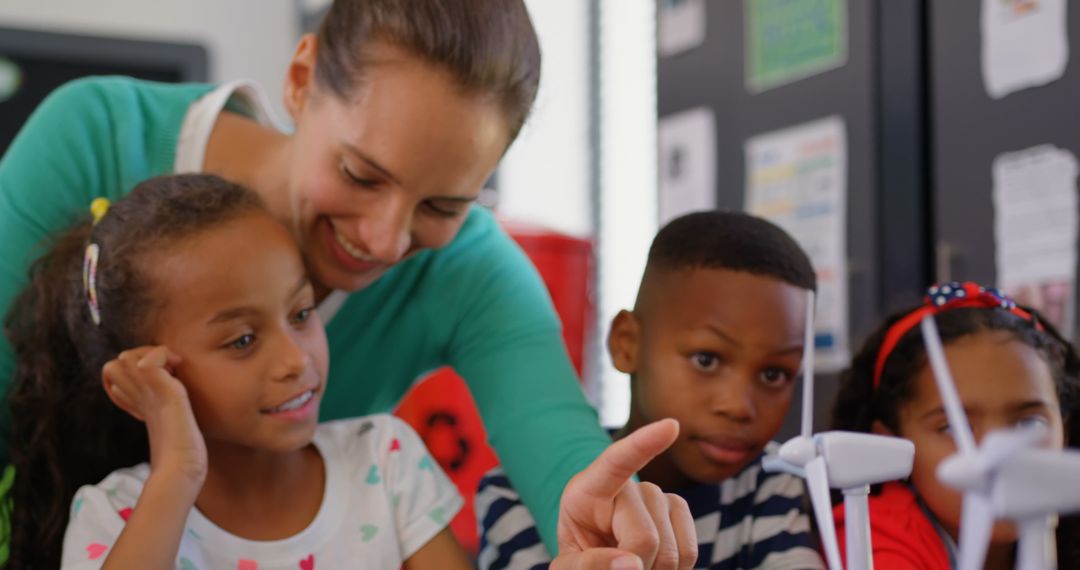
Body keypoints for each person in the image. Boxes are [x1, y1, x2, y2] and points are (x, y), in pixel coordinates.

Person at [0, 0, 693, 562]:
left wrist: (609, 522)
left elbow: (560, 446)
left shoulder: (469, 274)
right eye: (362, 175)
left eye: (443, 206)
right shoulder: (96, 136)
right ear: (301, 80)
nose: (385, 240)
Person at [6, 174, 693, 570]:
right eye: (242, 340)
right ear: (144, 376)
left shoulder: (385, 463)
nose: (295, 359)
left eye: (302, 313)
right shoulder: (118, 515)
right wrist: (178, 471)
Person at [476, 211, 826, 569]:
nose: (738, 406)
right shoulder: (518, 491)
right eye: (706, 360)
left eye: (773, 374)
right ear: (627, 344)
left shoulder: (772, 480)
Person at [830, 282, 1080, 569]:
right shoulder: (869, 540)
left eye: (1030, 424)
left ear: (1065, 429)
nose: (998, 456)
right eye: (952, 427)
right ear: (890, 448)